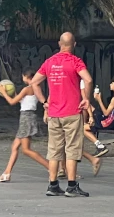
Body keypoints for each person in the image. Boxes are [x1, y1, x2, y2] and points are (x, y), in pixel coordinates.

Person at [30, 32, 92, 198]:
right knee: (72, 149)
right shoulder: (75, 61)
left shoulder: (49, 62)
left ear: (59, 43)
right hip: (72, 112)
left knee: (54, 149)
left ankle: (53, 185)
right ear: (74, 44)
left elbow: (34, 83)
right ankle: (71, 186)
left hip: (54, 113)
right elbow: (88, 79)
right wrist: (86, 99)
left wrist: (44, 102)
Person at [0, 69, 49, 183]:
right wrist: (12, 94)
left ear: (25, 77)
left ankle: (51, 167)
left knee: (26, 150)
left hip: (26, 118)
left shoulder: (26, 89)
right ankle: (6, 173)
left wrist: (3, 92)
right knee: (14, 147)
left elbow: (12, 102)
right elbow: (21, 101)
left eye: (22, 77)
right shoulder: (35, 88)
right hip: (27, 117)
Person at [84, 77, 114, 157]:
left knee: (83, 128)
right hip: (109, 120)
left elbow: (106, 113)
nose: (110, 85)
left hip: (108, 123)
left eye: (112, 83)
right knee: (88, 105)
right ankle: (90, 119)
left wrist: (99, 100)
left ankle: (100, 146)